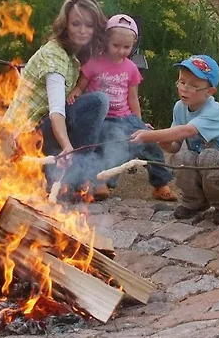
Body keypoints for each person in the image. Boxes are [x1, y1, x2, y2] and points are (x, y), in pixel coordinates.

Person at [2, 0, 110, 199]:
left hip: (38, 131)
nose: (83, 31)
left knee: (102, 115)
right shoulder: (54, 56)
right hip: (24, 138)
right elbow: (57, 110)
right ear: (65, 24)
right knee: (97, 102)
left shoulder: (74, 55)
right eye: (76, 24)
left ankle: (67, 179)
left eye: (89, 25)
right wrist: (67, 146)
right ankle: (73, 179)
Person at [67, 14, 177, 202]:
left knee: (150, 142)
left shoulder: (131, 68)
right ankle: (101, 181)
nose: (121, 51)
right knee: (109, 143)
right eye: (116, 45)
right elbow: (81, 86)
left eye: (126, 47)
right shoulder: (94, 63)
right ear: (105, 41)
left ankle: (160, 184)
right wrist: (75, 92)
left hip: (125, 116)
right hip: (102, 117)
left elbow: (133, 97)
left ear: (134, 44)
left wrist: (139, 122)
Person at [131, 55, 219, 225]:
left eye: (193, 86)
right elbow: (175, 145)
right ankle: (194, 202)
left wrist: (149, 136)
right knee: (181, 158)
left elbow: (186, 130)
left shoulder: (214, 111)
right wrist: (165, 142)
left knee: (209, 157)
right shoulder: (180, 107)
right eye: (182, 82)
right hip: (201, 164)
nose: (184, 88)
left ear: (209, 92)